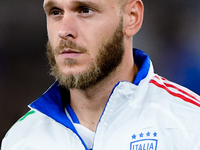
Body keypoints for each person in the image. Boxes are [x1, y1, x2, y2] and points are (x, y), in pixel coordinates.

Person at [1, 0, 200, 149]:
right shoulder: (19, 140)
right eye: (55, 12)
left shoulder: (191, 125)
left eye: (85, 10)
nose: (64, 30)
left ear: (132, 17)